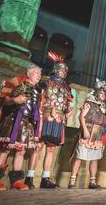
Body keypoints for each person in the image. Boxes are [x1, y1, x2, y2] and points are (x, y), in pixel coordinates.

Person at [0, 65, 42, 190]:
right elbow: (5, 100)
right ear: (29, 73)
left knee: (21, 151)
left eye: (40, 74)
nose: (39, 75)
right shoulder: (19, 85)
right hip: (14, 120)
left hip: (27, 123)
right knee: (6, 149)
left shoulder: (37, 90)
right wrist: (15, 100)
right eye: (36, 73)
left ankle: (17, 181)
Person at [25, 51, 74, 189]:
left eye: (65, 70)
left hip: (58, 119)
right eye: (61, 69)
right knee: (38, 147)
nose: (63, 72)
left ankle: (45, 178)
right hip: (45, 116)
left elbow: (67, 104)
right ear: (55, 69)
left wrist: (69, 111)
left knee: (51, 149)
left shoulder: (67, 87)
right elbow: (38, 96)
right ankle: (29, 177)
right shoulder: (45, 82)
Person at [68, 79, 106, 189]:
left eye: (104, 93)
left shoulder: (104, 106)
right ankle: (72, 181)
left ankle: (92, 182)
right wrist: (85, 130)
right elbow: (81, 117)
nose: (103, 95)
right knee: (79, 156)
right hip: (88, 130)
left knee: (94, 158)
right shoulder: (89, 102)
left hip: (97, 133)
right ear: (96, 93)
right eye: (101, 93)